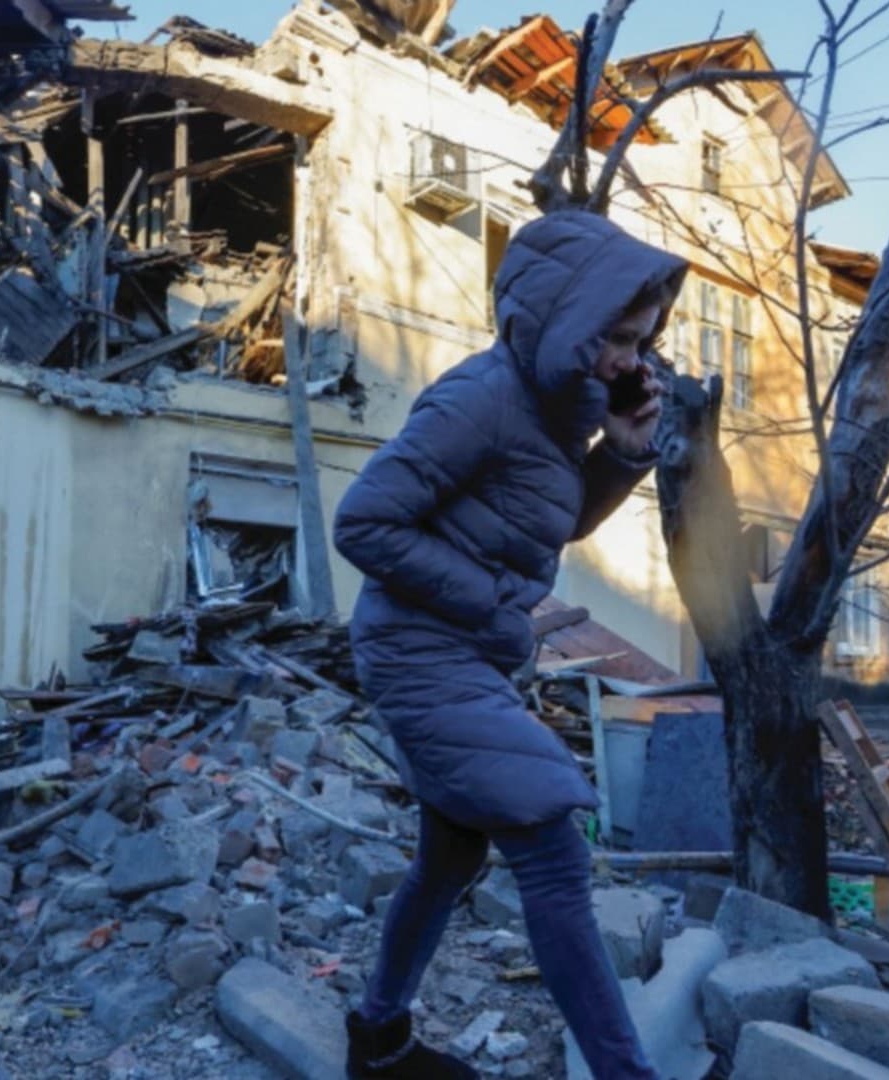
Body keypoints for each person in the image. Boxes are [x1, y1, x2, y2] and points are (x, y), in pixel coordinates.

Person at [331, 211, 685, 1080]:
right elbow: (363, 523)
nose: (633, 361)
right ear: (566, 319)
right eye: (619, 338)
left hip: (465, 654)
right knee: (554, 854)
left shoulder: (558, 410)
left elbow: (546, 526)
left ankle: (379, 1041)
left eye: (643, 341)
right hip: (420, 652)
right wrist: (493, 606)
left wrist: (623, 456)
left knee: (451, 855)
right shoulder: (479, 398)